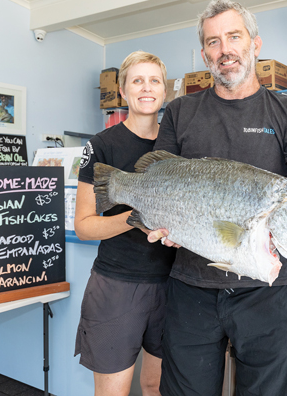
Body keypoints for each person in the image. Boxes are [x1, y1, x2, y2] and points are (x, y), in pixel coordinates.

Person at [148, 0, 287, 396]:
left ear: (255, 44)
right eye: (213, 42)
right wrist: (163, 221)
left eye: (233, 36)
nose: (224, 49)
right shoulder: (180, 112)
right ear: (204, 53)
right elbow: (161, 179)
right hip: (191, 285)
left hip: (266, 288)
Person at [74, 51, 175, 396]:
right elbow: (84, 226)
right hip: (117, 285)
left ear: (166, 90)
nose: (146, 88)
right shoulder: (101, 146)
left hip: (173, 285)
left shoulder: (177, 145)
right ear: (122, 90)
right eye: (137, 80)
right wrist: (135, 217)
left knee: (155, 386)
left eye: (154, 80)